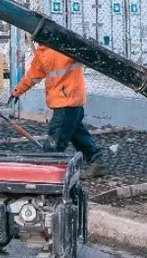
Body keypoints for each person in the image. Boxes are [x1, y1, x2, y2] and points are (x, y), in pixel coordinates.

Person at [8, 44, 105, 175]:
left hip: (66, 101)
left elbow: (88, 54)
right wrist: (17, 91)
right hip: (69, 100)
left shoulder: (63, 46)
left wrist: (16, 92)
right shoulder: (44, 51)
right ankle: (96, 161)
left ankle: (47, 170)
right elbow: (32, 77)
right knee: (77, 134)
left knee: (55, 140)